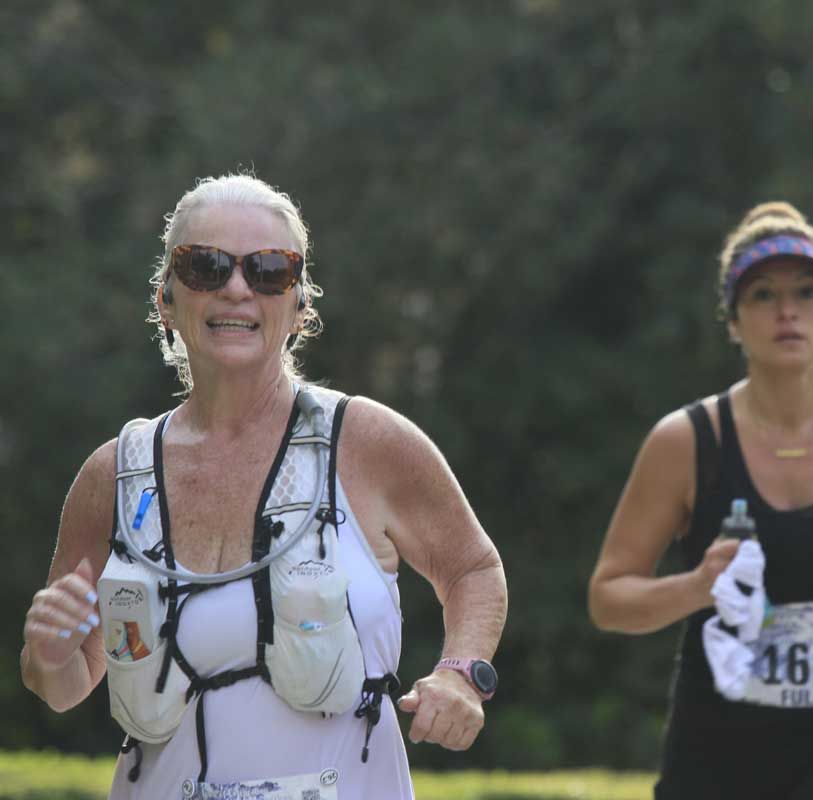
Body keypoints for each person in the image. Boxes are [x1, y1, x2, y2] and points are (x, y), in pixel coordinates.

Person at [20, 173, 507, 799]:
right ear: (166, 299)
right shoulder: (114, 474)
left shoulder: (367, 442)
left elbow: (472, 568)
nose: (236, 288)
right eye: (205, 266)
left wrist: (461, 674)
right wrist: (47, 655)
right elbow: (64, 686)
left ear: (300, 306)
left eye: (269, 270)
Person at [588, 201, 813, 799]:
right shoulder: (686, 441)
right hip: (718, 751)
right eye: (761, 295)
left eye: (807, 292)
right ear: (733, 321)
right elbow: (608, 598)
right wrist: (698, 587)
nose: (786, 310)